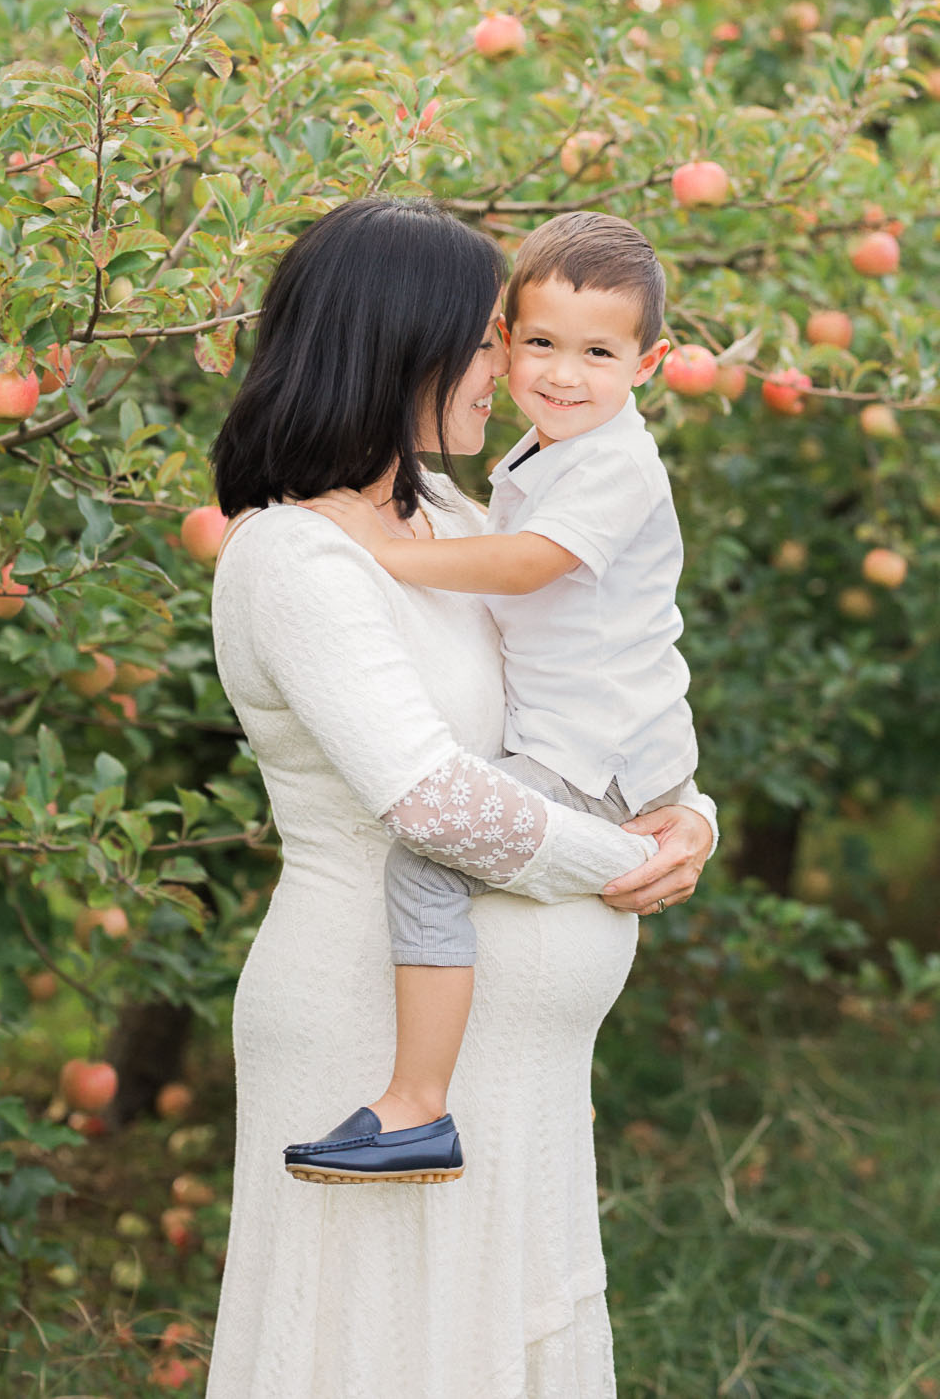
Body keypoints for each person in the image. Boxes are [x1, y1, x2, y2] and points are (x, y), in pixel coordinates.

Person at [203, 196, 716, 1394]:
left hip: (520, 1074)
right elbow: (432, 805)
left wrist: (689, 819)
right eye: (488, 336)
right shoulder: (290, 555)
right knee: (381, 1351)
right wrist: (620, 865)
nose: (510, 363)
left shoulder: (452, 520)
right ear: (399, 346)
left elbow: (592, 690)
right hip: (359, 1026)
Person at [286, 210, 694, 1184]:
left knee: (424, 871)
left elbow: (529, 564)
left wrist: (395, 556)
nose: (560, 373)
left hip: (590, 758)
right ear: (503, 342)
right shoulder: (539, 453)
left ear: (649, 363)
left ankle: (416, 1106)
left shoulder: (614, 462)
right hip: (599, 747)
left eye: (597, 352)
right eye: (537, 343)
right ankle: (416, 1105)